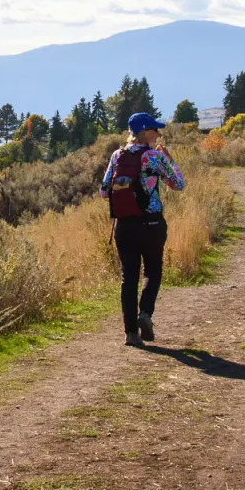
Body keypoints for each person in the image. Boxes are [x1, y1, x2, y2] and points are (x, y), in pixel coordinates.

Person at [100, 112, 185, 347]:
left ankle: (130, 334)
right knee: (153, 271)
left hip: (124, 226)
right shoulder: (153, 156)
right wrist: (169, 159)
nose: (158, 134)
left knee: (129, 277)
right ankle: (145, 314)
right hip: (151, 223)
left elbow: (104, 190)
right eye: (155, 130)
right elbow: (178, 184)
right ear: (145, 132)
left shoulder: (117, 156)